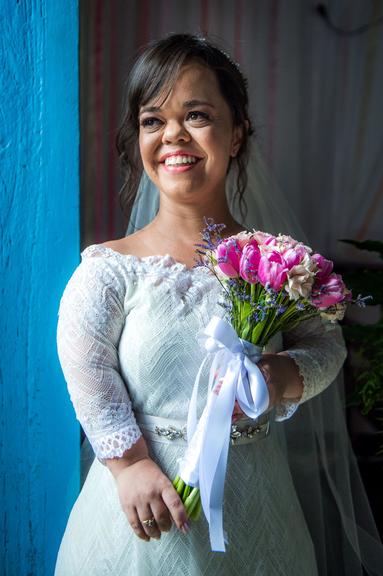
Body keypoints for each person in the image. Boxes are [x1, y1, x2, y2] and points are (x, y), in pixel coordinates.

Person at [55, 34, 382, 575]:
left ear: (237, 134)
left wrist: (283, 377)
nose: (173, 136)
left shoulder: (279, 266)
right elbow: (86, 366)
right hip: (145, 517)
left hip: (259, 515)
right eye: (153, 120)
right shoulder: (110, 269)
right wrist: (130, 464)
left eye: (197, 115)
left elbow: (327, 346)